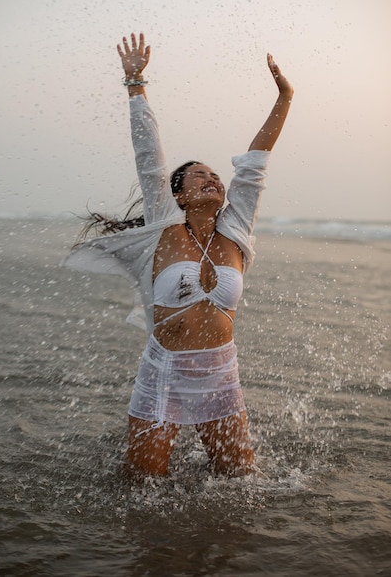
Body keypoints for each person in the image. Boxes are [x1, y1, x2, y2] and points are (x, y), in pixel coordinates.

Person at [63, 32, 293, 478]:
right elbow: (149, 154)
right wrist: (135, 83)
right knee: (142, 487)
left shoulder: (236, 230)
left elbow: (256, 160)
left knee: (240, 485)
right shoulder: (165, 231)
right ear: (178, 197)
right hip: (164, 372)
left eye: (214, 176)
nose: (212, 179)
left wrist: (285, 96)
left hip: (221, 374)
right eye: (198, 176)